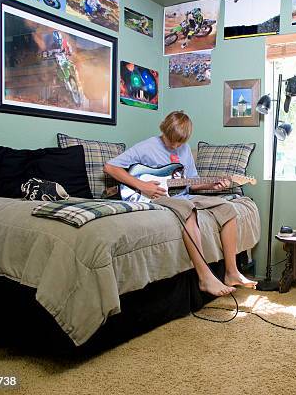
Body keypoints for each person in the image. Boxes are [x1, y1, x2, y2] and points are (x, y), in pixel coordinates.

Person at [103, 111, 257, 296]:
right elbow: (110, 167)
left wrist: (212, 184)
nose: (175, 145)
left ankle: (232, 272)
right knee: (188, 210)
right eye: (171, 140)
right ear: (164, 130)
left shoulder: (184, 149)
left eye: (180, 142)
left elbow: (192, 181)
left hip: (183, 195)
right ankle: (205, 277)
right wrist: (142, 185)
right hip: (157, 197)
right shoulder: (146, 147)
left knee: (227, 208)